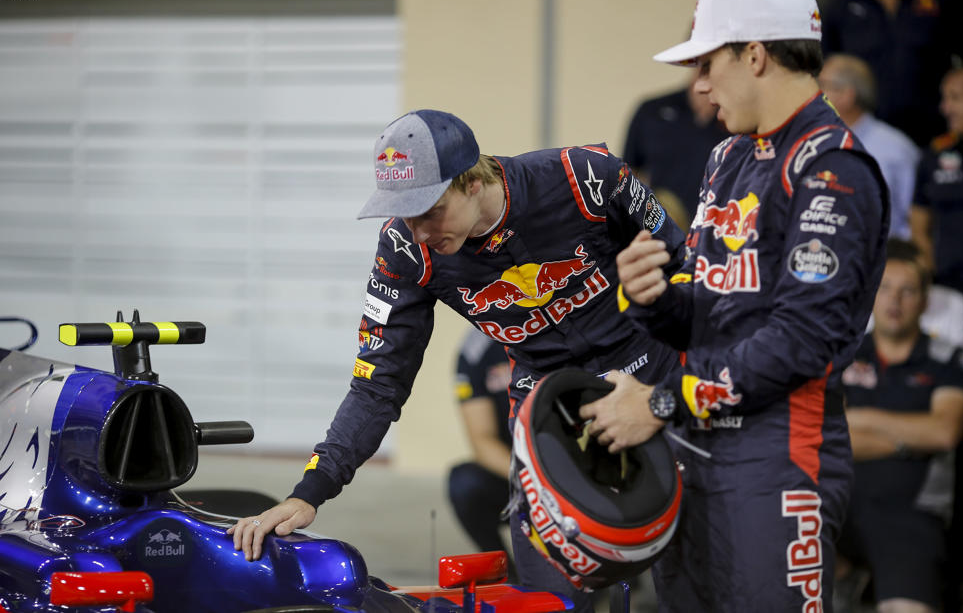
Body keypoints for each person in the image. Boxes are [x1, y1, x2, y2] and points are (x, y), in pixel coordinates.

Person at [228, 108, 688, 611]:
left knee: (689, 587)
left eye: (428, 209)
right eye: (404, 213)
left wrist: (692, 391)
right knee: (548, 601)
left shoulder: (584, 178)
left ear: (471, 179)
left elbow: (688, 271)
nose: (420, 230)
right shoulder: (404, 249)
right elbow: (377, 382)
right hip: (546, 408)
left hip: (651, 381)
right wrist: (310, 490)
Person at [580, 0, 890, 611]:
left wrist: (660, 403)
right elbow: (709, 307)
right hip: (694, 445)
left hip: (777, 460)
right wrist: (655, 298)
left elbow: (802, 340)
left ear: (755, 55)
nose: (696, 86)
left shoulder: (832, 167)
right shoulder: (729, 156)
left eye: (705, 63)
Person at [836, 239, 963, 613]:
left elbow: (944, 432)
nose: (894, 301)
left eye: (908, 291)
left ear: (925, 301)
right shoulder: (845, 355)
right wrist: (907, 439)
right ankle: (849, 580)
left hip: (910, 516)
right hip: (837, 507)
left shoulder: (947, 358)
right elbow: (823, 435)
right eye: (885, 289)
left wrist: (859, 419)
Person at [821, 0, 963, 147]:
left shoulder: (948, 0)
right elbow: (823, 77)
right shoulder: (838, 7)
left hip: (934, 141)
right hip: (864, 142)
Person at [819, 53, 920, 239]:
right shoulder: (814, 142)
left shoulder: (896, 149)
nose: (816, 93)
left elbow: (915, 220)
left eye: (823, 85)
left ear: (847, 95)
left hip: (885, 260)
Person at [911, 61, 963, 320]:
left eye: (955, 98)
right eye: (944, 98)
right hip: (951, 291)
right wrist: (932, 276)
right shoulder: (934, 156)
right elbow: (919, 227)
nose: (945, 108)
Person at [623, 71, 727, 230]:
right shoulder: (652, 110)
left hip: (719, 232)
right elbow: (628, 176)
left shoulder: (736, 117)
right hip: (663, 231)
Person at [446, 329, 512, 565]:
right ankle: (505, 574)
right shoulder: (477, 348)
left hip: (575, 465)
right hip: (518, 473)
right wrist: (536, 481)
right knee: (465, 483)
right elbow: (482, 439)